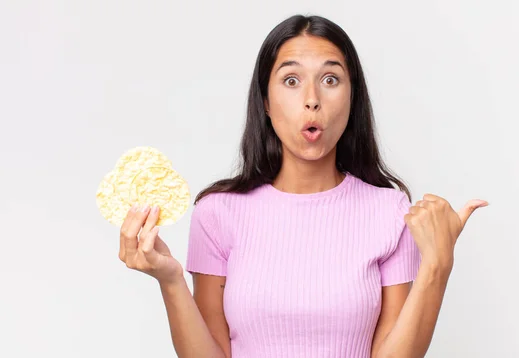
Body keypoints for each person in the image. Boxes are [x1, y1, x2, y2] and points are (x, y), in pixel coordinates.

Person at [118, 14, 488, 358]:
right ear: (265, 100)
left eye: (330, 80)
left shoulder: (391, 211)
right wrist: (170, 281)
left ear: (352, 97)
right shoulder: (217, 212)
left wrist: (438, 264)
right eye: (291, 81)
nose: (312, 100)